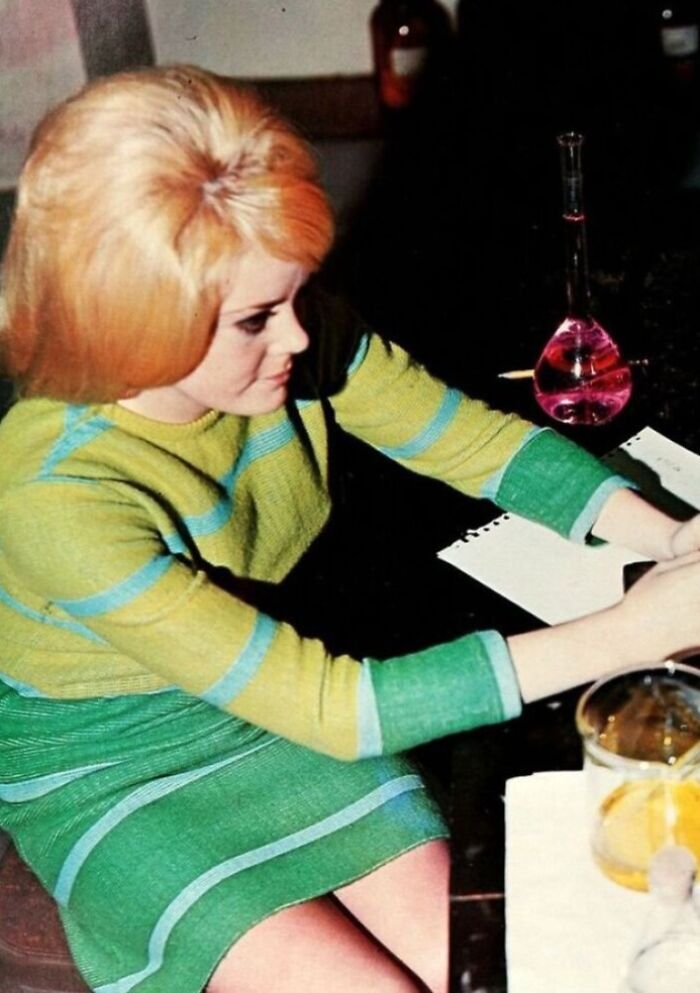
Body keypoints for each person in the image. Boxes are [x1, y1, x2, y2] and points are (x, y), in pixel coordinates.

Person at [1, 65, 700, 993]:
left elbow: (473, 442)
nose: (297, 337)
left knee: (492, 964)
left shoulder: (286, 339)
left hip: (267, 700)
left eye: (297, 297)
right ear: (135, 319)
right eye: (257, 318)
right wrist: (633, 632)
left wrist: (669, 537)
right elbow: (338, 709)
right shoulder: (53, 495)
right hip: (110, 764)